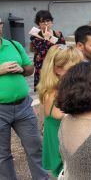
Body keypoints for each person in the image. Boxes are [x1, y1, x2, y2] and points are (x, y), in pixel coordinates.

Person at [0, 17, 49, 179]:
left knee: (35, 147)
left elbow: (30, 69)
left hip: (23, 106)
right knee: (3, 154)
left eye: (0, 23)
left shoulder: (14, 44)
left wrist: (21, 68)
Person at [36, 45, 83, 177]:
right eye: (75, 67)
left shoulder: (59, 87)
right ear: (58, 69)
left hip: (59, 140)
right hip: (61, 145)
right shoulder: (55, 92)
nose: (81, 70)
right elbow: (59, 114)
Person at [30, 10, 66, 89]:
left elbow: (63, 48)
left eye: (48, 21)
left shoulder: (58, 33)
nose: (46, 24)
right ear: (38, 24)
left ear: (52, 22)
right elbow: (42, 51)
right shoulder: (35, 35)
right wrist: (47, 39)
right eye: (42, 22)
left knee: (57, 89)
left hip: (56, 64)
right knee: (44, 90)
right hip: (43, 66)